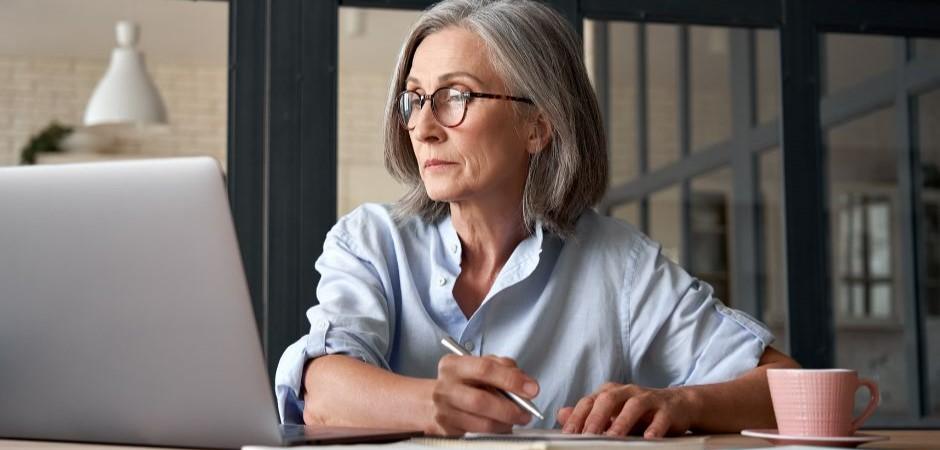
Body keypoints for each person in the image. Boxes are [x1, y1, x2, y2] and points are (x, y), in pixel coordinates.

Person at [274, 0, 800, 438]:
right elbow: (321, 395)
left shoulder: (621, 265)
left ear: (538, 126)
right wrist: (433, 405)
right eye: (414, 100)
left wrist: (681, 404)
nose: (424, 127)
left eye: (455, 96)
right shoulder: (371, 240)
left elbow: (790, 388)